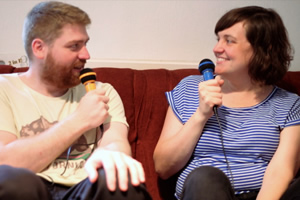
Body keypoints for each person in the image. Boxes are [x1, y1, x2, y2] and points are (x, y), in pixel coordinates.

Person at [0, 1, 151, 200]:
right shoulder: (4, 89)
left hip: (84, 190)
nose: (86, 55)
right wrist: (79, 120)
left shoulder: (102, 91)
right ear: (39, 48)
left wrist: (112, 153)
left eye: (85, 44)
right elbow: (6, 161)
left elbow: (115, 140)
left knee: (118, 183)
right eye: (74, 46)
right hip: (30, 188)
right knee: (11, 180)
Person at [153, 6, 300, 200]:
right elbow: (163, 167)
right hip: (205, 192)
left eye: (229, 41)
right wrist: (201, 114)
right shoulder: (190, 88)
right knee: (205, 176)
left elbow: (281, 171)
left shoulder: (289, 104)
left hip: (263, 196)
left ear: (263, 49)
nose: (216, 48)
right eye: (218, 39)